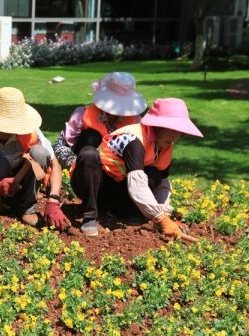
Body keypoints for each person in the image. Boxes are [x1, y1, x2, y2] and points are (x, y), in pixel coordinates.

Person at [71, 98, 201, 241]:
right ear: (157, 125)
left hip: (117, 188)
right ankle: (89, 216)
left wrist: (165, 214)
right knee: (89, 155)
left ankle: (119, 211)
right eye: (171, 129)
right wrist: (161, 218)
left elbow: (163, 183)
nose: (175, 136)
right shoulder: (134, 140)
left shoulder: (165, 145)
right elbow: (136, 182)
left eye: (179, 131)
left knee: (154, 176)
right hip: (93, 185)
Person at [0, 87, 70, 231]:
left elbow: (55, 164)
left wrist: (53, 200)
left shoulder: (31, 131)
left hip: (21, 185)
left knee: (40, 153)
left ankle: (26, 207)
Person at [53, 72, 146, 170]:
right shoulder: (83, 114)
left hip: (117, 167)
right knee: (91, 136)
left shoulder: (135, 120)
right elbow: (65, 144)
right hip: (83, 161)